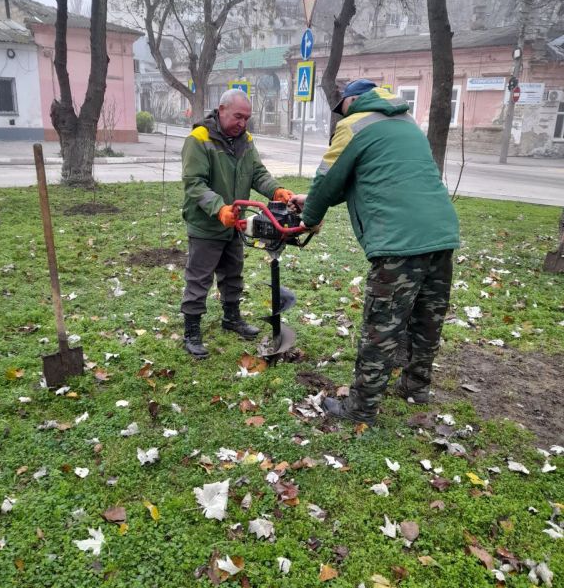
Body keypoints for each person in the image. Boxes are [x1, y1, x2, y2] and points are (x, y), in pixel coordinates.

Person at [292, 79, 460, 426]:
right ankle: (415, 387)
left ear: (353, 100)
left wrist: (309, 218)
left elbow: (328, 179)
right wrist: (311, 201)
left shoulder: (354, 124)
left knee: (381, 326)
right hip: (441, 232)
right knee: (427, 319)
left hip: (399, 240)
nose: (342, 114)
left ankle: (361, 408)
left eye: (343, 107)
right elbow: (374, 176)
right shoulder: (406, 122)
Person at [181, 89, 294, 358]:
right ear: (221, 110)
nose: (242, 123)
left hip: (235, 222)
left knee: (233, 273)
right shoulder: (199, 139)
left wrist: (276, 190)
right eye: (238, 117)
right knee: (199, 278)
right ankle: (191, 331)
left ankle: (231, 318)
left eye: (246, 118)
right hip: (207, 224)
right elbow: (194, 184)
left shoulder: (246, 140)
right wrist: (219, 208)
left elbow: (257, 173)